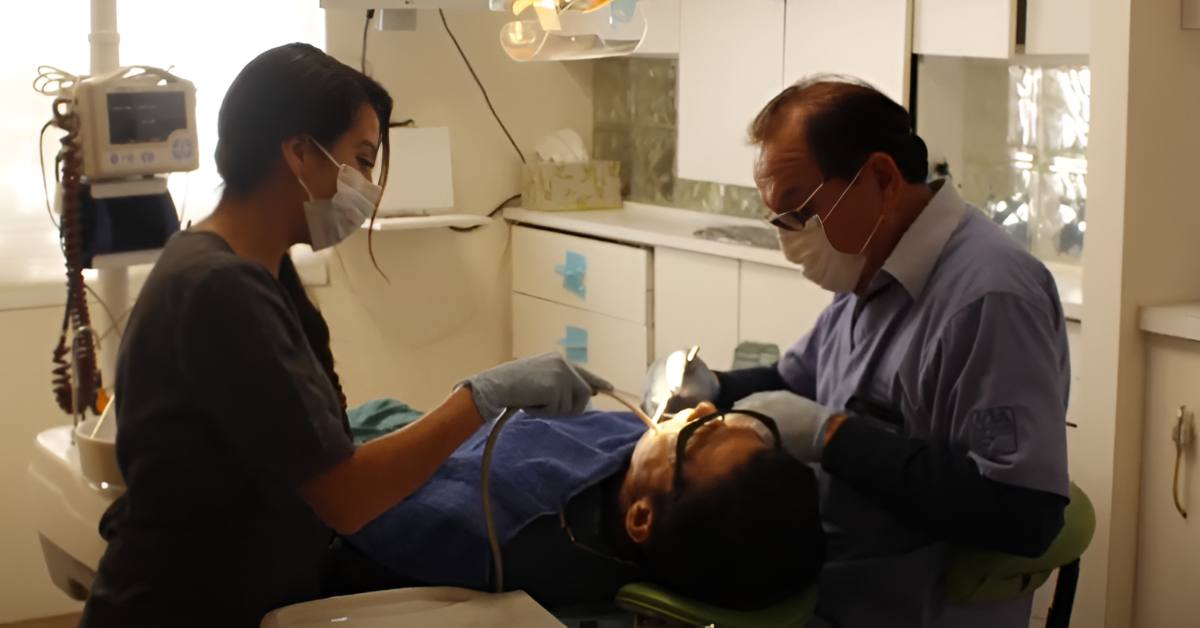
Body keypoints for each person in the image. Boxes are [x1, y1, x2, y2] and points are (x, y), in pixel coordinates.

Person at [80, 44, 607, 628]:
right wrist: (482, 397)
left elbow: (307, 444)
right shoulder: (218, 289)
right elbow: (345, 497)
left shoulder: (256, 268)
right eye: (360, 159)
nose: (368, 188)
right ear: (299, 152)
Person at [683, 76, 1071, 627]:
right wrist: (712, 387)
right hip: (831, 590)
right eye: (778, 220)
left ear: (882, 179)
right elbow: (799, 383)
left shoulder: (989, 299)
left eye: (801, 213)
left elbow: (1023, 515)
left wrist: (834, 437)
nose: (789, 239)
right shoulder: (870, 268)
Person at [327, 401, 825, 610]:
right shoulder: (642, 464)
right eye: (728, 422)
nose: (701, 410)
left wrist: (470, 401)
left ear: (641, 518)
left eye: (698, 435)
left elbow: (345, 501)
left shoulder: (501, 535)